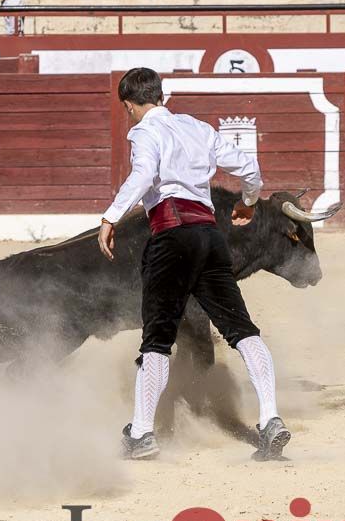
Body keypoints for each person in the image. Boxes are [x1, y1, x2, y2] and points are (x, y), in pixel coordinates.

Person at [98, 67, 289, 462]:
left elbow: (143, 174)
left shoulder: (144, 132)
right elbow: (250, 169)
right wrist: (248, 202)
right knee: (241, 329)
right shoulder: (198, 128)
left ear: (130, 105)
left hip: (171, 236)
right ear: (162, 96)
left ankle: (141, 433)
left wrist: (111, 216)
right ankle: (270, 418)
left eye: (127, 110)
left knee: (157, 339)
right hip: (210, 237)